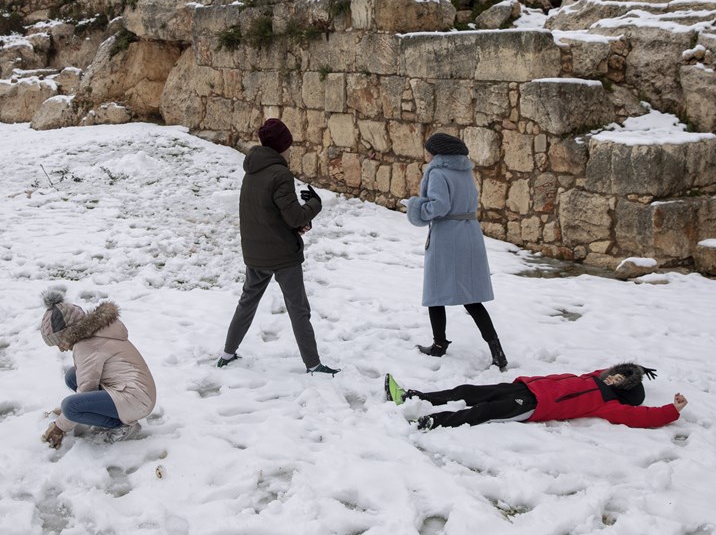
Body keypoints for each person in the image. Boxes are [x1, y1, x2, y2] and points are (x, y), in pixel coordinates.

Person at [217, 117, 339, 375]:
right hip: (283, 255)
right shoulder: (280, 174)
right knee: (298, 309)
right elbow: (294, 217)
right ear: (282, 145)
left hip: (255, 252)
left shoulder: (251, 171)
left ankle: (227, 353)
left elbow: (269, 214)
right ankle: (314, 364)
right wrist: (314, 204)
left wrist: (297, 224)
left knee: (247, 302)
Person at [403, 132, 507, 369]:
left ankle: (439, 345)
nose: (426, 153)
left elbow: (440, 206)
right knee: (472, 298)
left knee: (435, 292)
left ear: (437, 153)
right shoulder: (465, 172)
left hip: (448, 236)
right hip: (470, 233)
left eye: (428, 149)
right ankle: (497, 350)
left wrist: (415, 206)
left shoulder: (437, 172)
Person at [384, 363, 687, 429]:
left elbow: (641, 416)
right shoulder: (592, 377)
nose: (613, 377)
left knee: (485, 410)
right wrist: (637, 368)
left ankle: (432, 420)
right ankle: (413, 396)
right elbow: (608, 368)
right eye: (616, 373)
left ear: (623, 391)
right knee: (467, 391)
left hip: (533, 405)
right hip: (525, 387)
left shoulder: (606, 403)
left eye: (620, 379)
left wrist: (670, 410)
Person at [39, 288, 157, 449]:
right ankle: (108, 414)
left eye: (59, 342)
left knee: (71, 407)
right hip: (136, 393)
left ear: (68, 333)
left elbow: (86, 390)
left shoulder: (86, 345)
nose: (60, 349)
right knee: (72, 377)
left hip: (136, 400)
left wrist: (60, 427)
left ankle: (120, 426)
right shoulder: (95, 333)